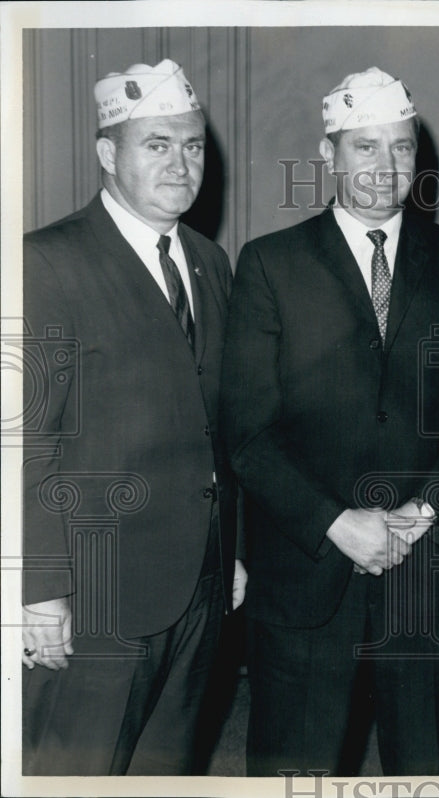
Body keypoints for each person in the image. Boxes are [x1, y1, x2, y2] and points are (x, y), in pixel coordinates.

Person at [220, 66, 439, 777]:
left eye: (402, 148)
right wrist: (336, 522)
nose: (386, 167)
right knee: (297, 771)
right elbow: (247, 433)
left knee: (431, 768)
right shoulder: (270, 265)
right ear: (328, 155)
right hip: (306, 574)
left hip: (429, 574)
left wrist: (423, 510)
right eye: (365, 148)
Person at [21, 58, 245, 775]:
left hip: (200, 584)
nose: (182, 164)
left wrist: (230, 550)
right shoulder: (47, 261)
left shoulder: (211, 262)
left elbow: (218, 424)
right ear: (106, 154)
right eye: (157, 144)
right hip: (97, 595)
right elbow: (27, 442)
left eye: (193, 145)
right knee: (78, 773)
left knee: (166, 771)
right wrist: (40, 590)